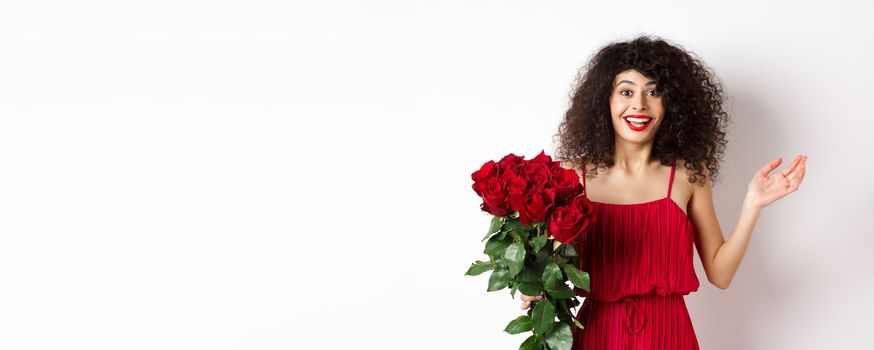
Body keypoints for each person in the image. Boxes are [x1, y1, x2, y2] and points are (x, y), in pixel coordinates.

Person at [520, 35, 807, 349]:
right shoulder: (571, 175)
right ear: (606, 100)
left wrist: (753, 205)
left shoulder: (688, 174)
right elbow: (543, 263)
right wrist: (531, 283)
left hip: (669, 336)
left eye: (653, 92)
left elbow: (720, 274)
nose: (639, 104)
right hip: (597, 335)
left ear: (671, 102)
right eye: (626, 91)